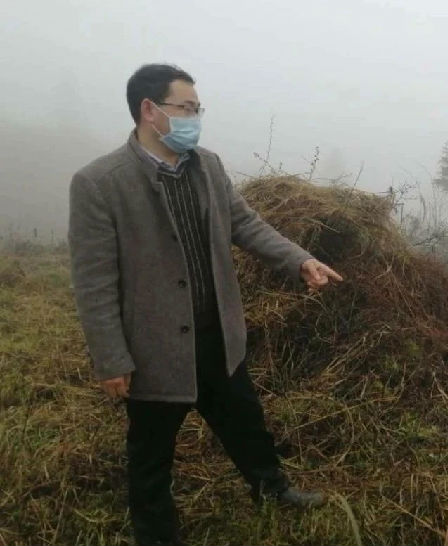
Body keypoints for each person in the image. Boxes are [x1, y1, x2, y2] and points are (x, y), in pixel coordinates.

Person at [68, 64, 344, 546]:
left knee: (245, 421)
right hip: (154, 346)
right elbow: (94, 280)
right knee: (150, 450)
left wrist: (299, 260)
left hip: (217, 331)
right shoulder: (100, 183)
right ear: (150, 110)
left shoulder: (208, 167)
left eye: (198, 109)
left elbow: (247, 225)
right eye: (187, 108)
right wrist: (110, 357)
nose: (195, 118)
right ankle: (156, 533)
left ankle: (273, 489)